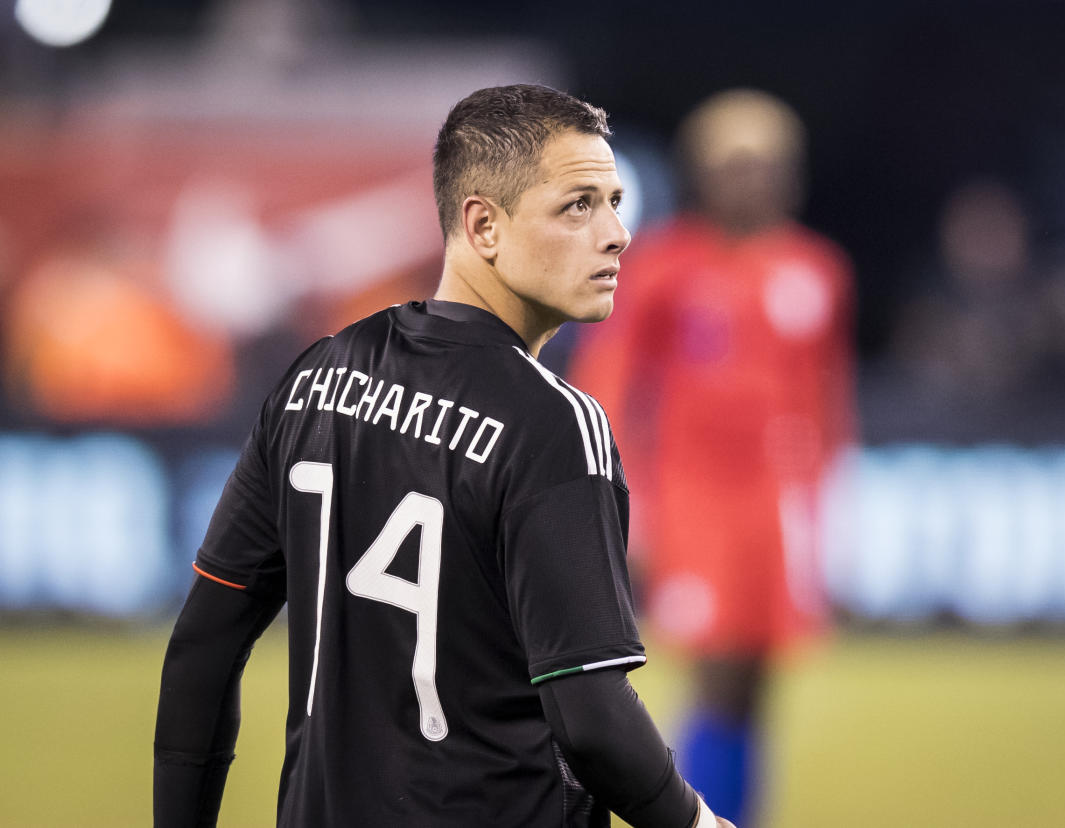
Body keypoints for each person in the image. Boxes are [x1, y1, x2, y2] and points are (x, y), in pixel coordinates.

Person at [153, 84, 733, 828]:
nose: (617, 232)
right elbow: (590, 715)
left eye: (617, 201)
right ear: (483, 225)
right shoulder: (553, 424)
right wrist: (693, 822)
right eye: (579, 205)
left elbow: (204, 641)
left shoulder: (316, 378)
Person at [571, 89, 856, 825]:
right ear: (704, 174)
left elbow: (827, 402)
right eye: (735, 166)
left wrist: (831, 508)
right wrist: (623, 503)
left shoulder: (815, 271)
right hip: (696, 501)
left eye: (765, 166)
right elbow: (606, 382)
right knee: (719, 674)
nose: (750, 181)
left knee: (755, 684)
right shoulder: (664, 267)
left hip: (778, 508)